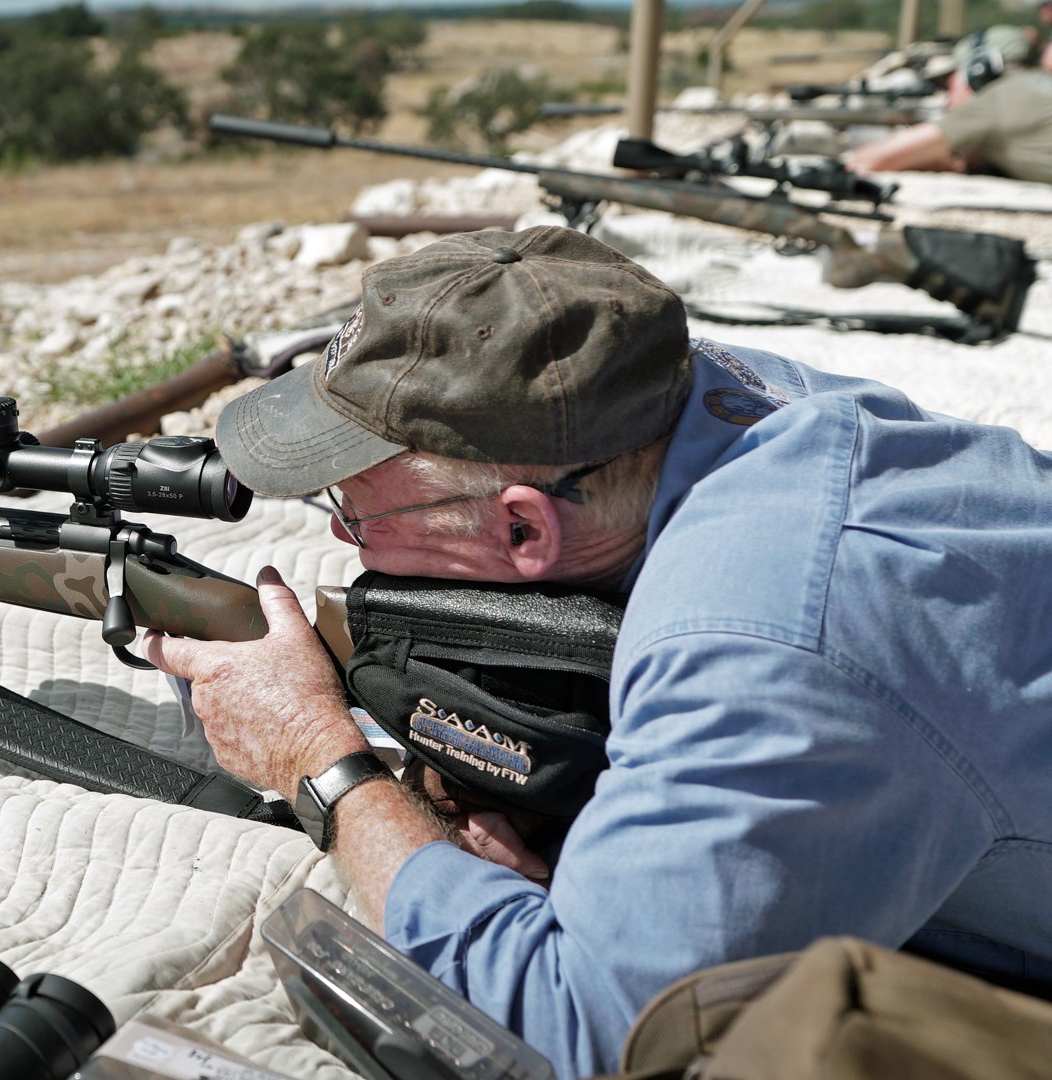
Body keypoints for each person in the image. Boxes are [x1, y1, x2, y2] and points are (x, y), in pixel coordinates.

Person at [143, 225, 1052, 1079]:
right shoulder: (718, 398)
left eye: (353, 513)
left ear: (525, 531)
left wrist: (320, 759)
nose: (349, 545)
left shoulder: (766, 641)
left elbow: (584, 1031)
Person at [851, 24, 1052, 182]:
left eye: (949, 82)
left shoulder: (999, 99)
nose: (947, 98)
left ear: (978, 73)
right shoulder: (1032, 88)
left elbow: (866, 161)